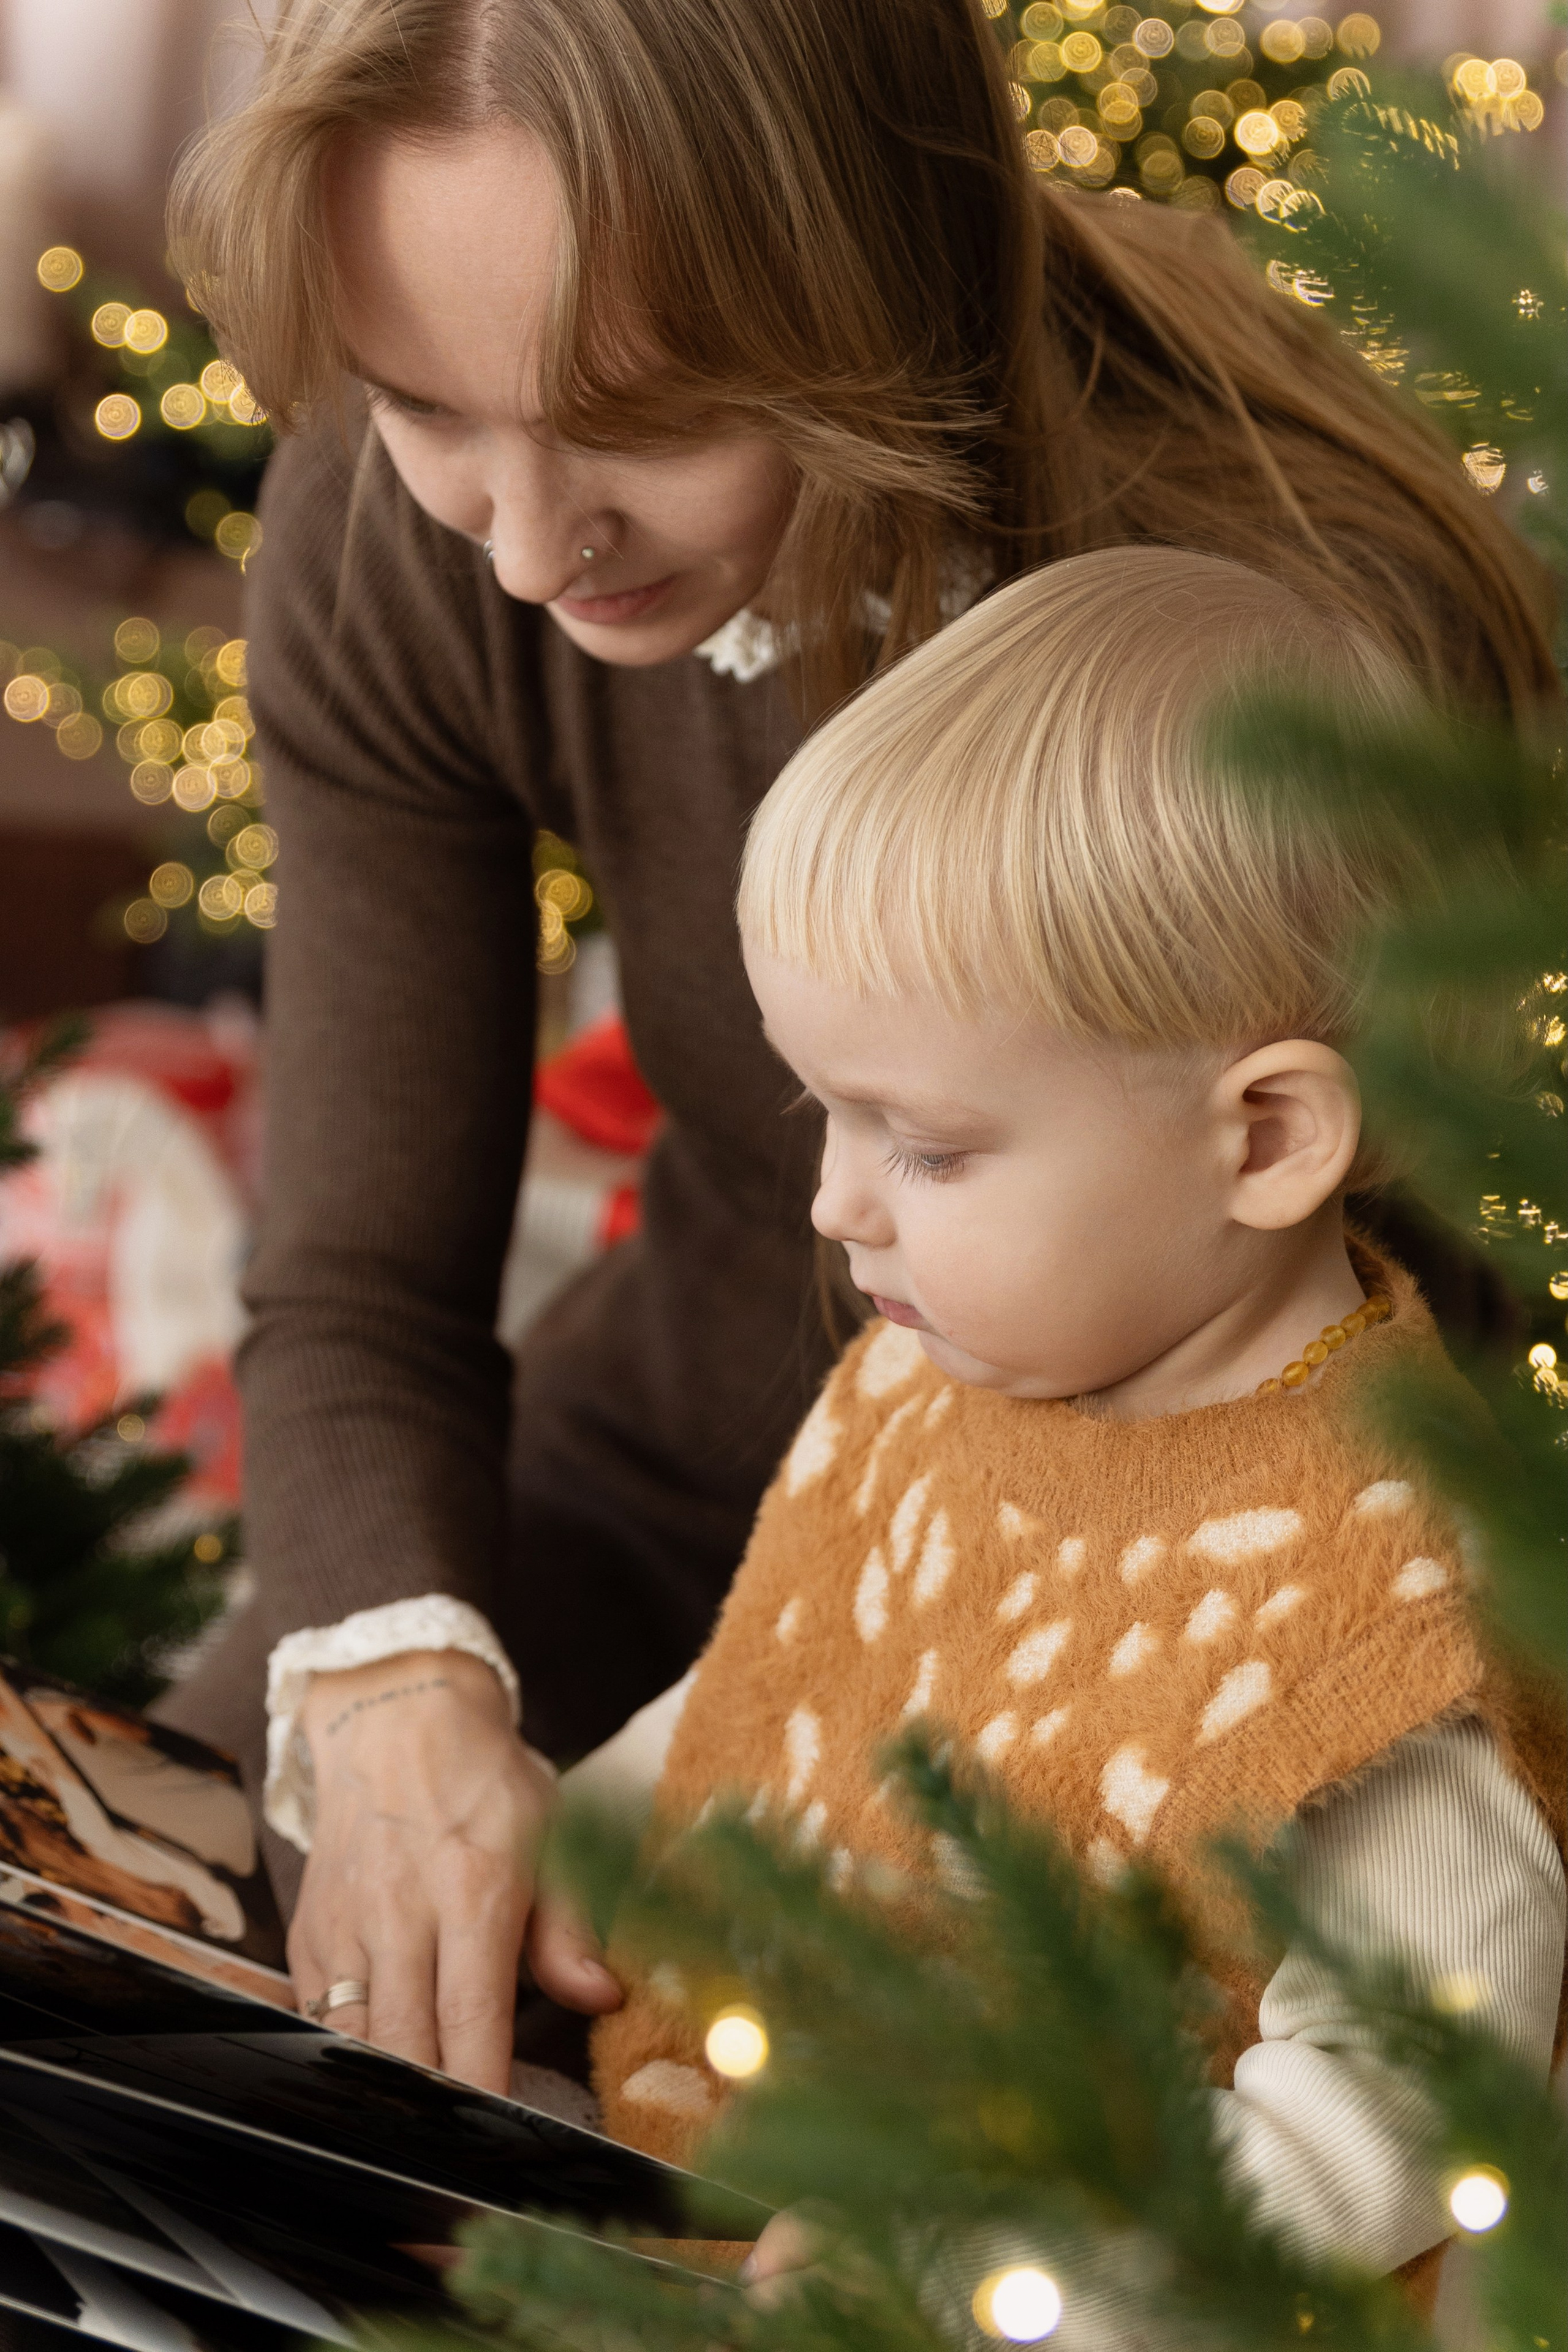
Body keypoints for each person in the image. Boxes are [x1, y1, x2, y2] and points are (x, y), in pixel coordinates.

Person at [158, 0, 1558, 2094]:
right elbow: (363, 1277)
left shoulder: (1282, 640)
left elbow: (1402, 1418)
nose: (528, 551)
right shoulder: (399, 540)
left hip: (1179, 1600)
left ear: (874, 285)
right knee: (166, 1978)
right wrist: (386, 1686)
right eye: (424, 402)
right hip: (689, 1469)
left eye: (639, 416)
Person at [576, 548, 1566, 2304]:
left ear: (1263, 1143)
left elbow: (1392, 2114)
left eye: (927, 1145)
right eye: (826, 1111)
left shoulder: (1377, 1620)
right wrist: (580, 1843)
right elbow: (791, 1673)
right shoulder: (946, 1369)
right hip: (711, 2193)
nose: (835, 1205)